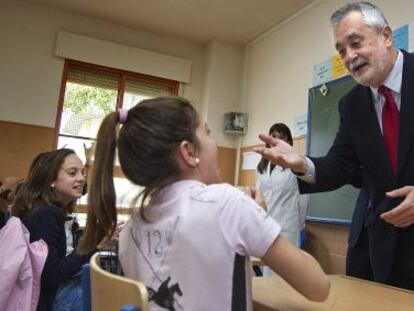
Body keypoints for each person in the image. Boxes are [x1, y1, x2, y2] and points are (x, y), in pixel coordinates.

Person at [78, 96, 330, 310]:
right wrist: (256, 215)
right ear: (188, 152)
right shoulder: (228, 203)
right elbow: (318, 286)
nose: (216, 143)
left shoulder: (130, 231)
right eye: (207, 133)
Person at [254, 1, 414, 290]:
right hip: (382, 250)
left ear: (386, 36)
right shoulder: (351, 104)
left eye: (356, 43)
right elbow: (342, 165)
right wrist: (301, 163)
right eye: (341, 50)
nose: (349, 57)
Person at [12, 149, 113, 310]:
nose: (81, 178)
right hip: (50, 299)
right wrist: (92, 245)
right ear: (51, 179)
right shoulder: (45, 215)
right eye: (72, 173)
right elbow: (50, 277)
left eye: (83, 173)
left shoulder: (50, 211)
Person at [256, 123, 308, 276]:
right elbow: (260, 195)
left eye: (281, 137)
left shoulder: (294, 164)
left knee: (287, 274)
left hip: (289, 226)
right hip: (267, 226)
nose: (275, 140)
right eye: (273, 136)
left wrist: (298, 224)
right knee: (268, 273)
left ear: (288, 141)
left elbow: (304, 197)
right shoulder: (262, 167)